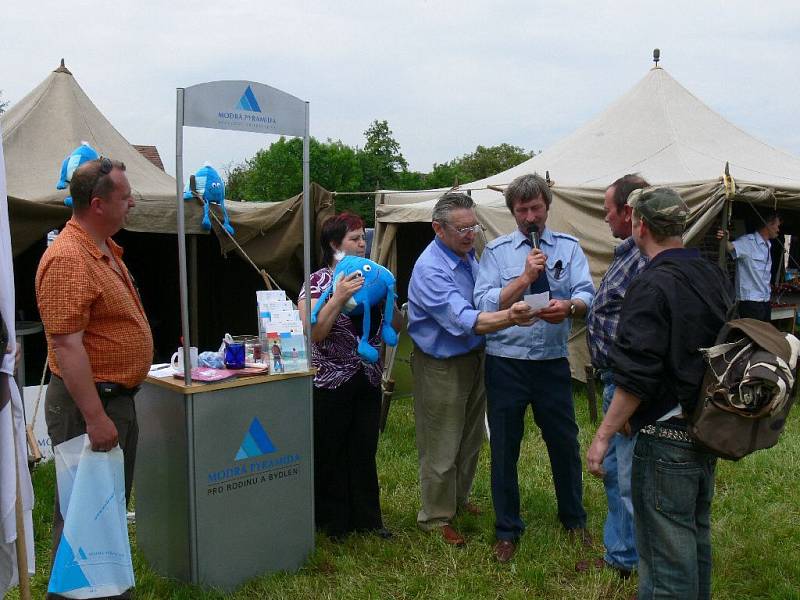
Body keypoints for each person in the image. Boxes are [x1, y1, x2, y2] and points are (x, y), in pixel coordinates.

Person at [587, 187, 731, 599]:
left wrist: (602, 437)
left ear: (641, 225)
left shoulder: (651, 284)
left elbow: (636, 375)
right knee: (693, 535)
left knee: (665, 555)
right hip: (704, 426)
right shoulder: (711, 273)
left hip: (664, 436)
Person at [36, 158, 153, 600]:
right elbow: (67, 347)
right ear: (99, 204)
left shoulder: (103, 249)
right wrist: (95, 417)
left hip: (112, 401)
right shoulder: (68, 258)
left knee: (104, 515)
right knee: (81, 520)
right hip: (91, 405)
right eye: (126, 198)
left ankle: (106, 592)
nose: (133, 203)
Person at [474, 173, 595, 562]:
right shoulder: (496, 251)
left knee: (564, 443)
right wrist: (524, 278)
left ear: (547, 207)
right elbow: (485, 302)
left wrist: (570, 307)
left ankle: (574, 520)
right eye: (522, 210)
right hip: (506, 363)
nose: (530, 216)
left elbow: (586, 294)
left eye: (536, 208)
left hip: (550, 364)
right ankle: (507, 530)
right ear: (512, 213)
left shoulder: (569, 247)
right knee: (505, 449)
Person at [407, 193, 537, 546]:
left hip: (475, 358)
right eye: (462, 228)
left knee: (469, 438)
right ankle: (435, 517)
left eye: (474, 226)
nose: (470, 234)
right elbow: (465, 320)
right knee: (441, 443)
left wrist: (517, 291)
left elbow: (484, 298)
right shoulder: (431, 268)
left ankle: (457, 501)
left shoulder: (467, 257)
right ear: (438, 228)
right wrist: (510, 317)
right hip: (442, 365)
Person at [298, 212, 401, 540]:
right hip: (329, 380)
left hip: (367, 378)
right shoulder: (315, 282)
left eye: (363, 238)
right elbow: (313, 332)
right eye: (355, 239)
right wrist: (339, 296)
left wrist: (391, 298)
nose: (362, 244)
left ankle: (369, 521)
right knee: (330, 451)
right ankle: (333, 523)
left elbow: (396, 326)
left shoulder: (373, 277)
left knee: (363, 448)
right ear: (334, 245)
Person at [583, 174, 649, 578]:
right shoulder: (629, 252)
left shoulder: (644, 259)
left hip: (625, 383)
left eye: (608, 209)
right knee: (616, 472)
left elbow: (641, 334)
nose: (605, 216)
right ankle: (622, 552)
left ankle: (629, 560)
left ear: (628, 212)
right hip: (615, 379)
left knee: (626, 475)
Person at [716, 210, 781, 321]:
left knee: (764, 335)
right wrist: (724, 239)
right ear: (769, 224)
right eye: (777, 226)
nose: (778, 230)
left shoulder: (768, 245)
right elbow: (730, 247)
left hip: (765, 301)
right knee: (752, 336)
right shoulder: (748, 242)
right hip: (750, 301)